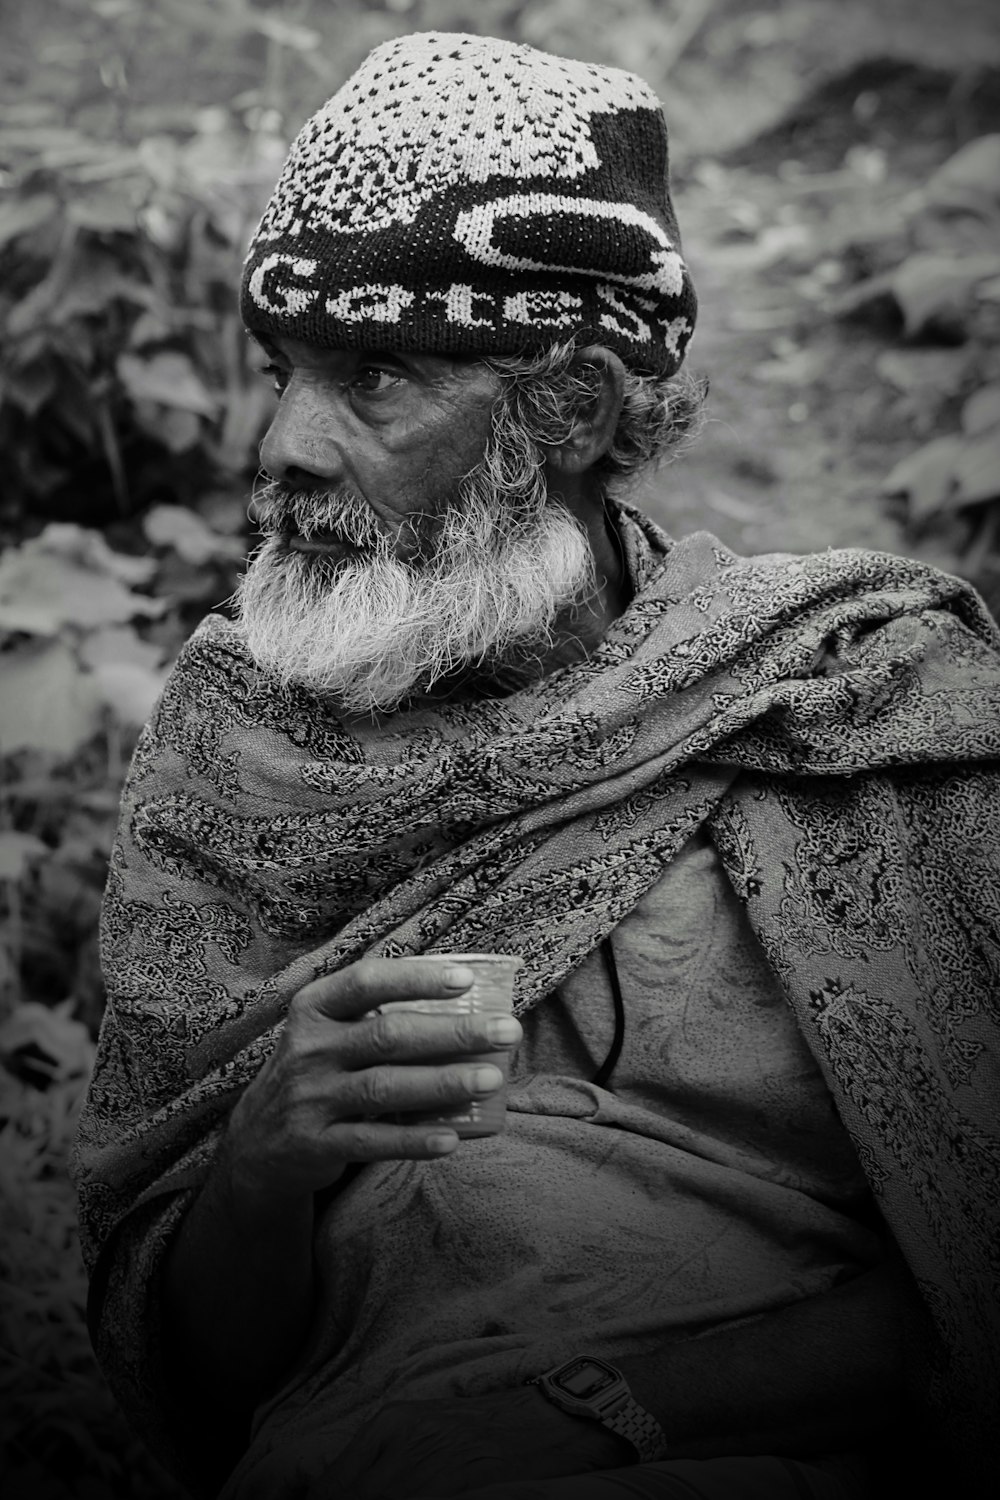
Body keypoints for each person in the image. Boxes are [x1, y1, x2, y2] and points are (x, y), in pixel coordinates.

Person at [72, 31, 1000, 1500]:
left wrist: (603, 1407)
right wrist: (262, 1157)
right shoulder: (233, 745)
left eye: (374, 377)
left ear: (562, 410)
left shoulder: (858, 697)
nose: (284, 445)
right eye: (281, 371)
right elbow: (196, 1383)